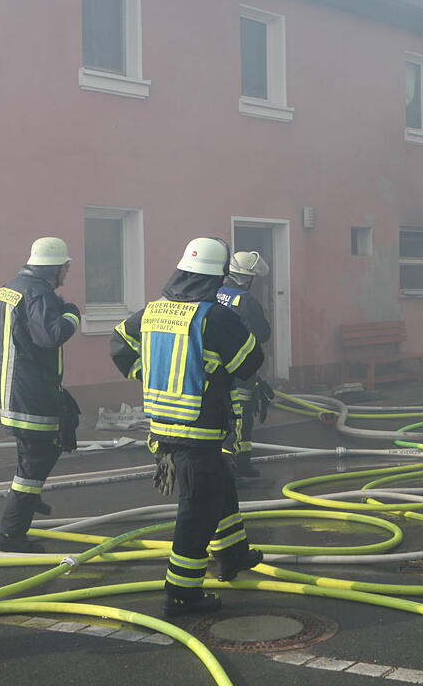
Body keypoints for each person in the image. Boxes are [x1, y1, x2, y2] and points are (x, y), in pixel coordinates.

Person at [110, 237, 265, 617]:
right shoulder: (215, 318)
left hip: (165, 425)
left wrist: (150, 375)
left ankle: (232, 554)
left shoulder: (151, 312)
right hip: (198, 430)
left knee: (220, 485)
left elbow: (119, 344)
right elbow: (250, 362)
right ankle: (181, 593)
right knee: (198, 508)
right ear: (216, 277)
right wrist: (211, 368)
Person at [0, 237, 81, 553]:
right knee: (36, 462)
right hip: (31, 396)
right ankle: (11, 535)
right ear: (55, 268)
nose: (67, 274)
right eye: (66, 268)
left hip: (11, 393)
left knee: (32, 458)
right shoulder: (39, 293)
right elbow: (51, 336)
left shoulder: (10, 288)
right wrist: (71, 313)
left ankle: (28, 499)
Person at [217, 251, 273, 479]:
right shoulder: (247, 302)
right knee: (242, 419)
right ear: (247, 279)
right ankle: (237, 468)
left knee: (221, 418)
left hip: (216, 369)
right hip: (241, 370)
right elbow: (263, 333)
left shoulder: (214, 293)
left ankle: (233, 466)